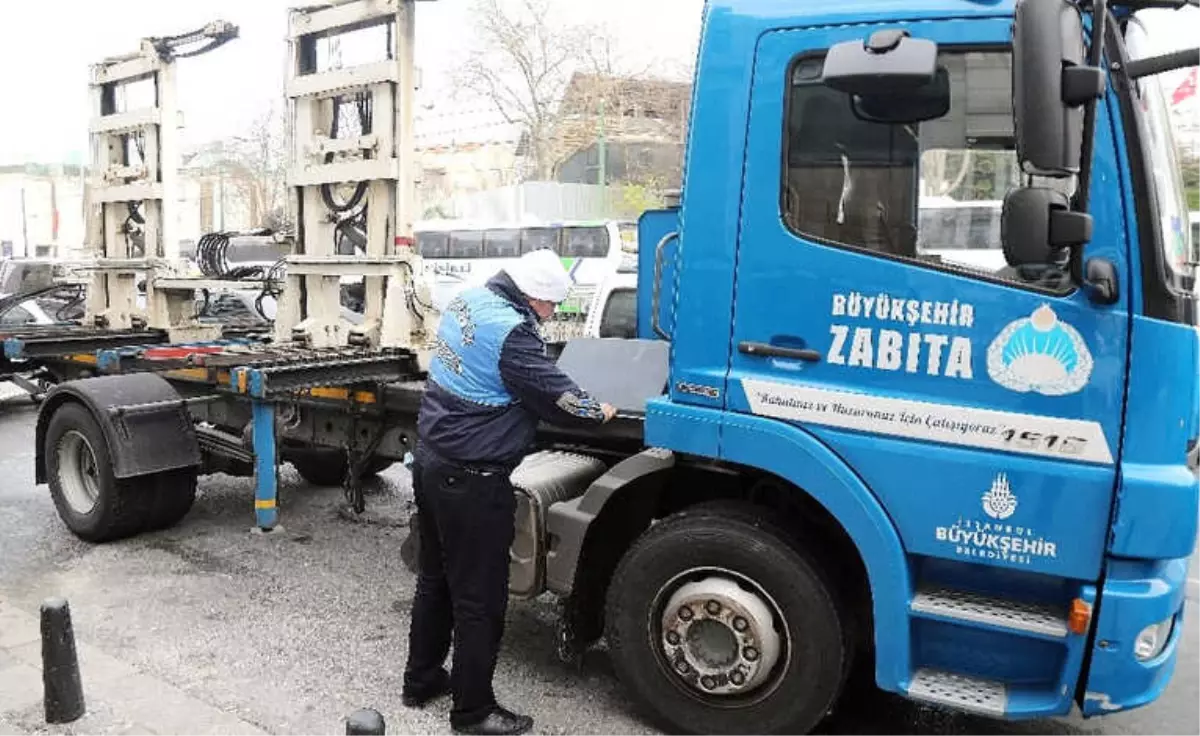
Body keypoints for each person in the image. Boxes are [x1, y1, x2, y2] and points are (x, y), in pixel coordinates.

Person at [402, 249, 617, 736]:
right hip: (473, 479)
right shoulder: (513, 335)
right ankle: (473, 712)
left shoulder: (469, 300)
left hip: (433, 458)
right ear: (534, 296)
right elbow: (561, 400)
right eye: (551, 307)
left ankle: (421, 680)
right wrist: (597, 409)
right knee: (480, 598)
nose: (551, 315)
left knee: (435, 578)